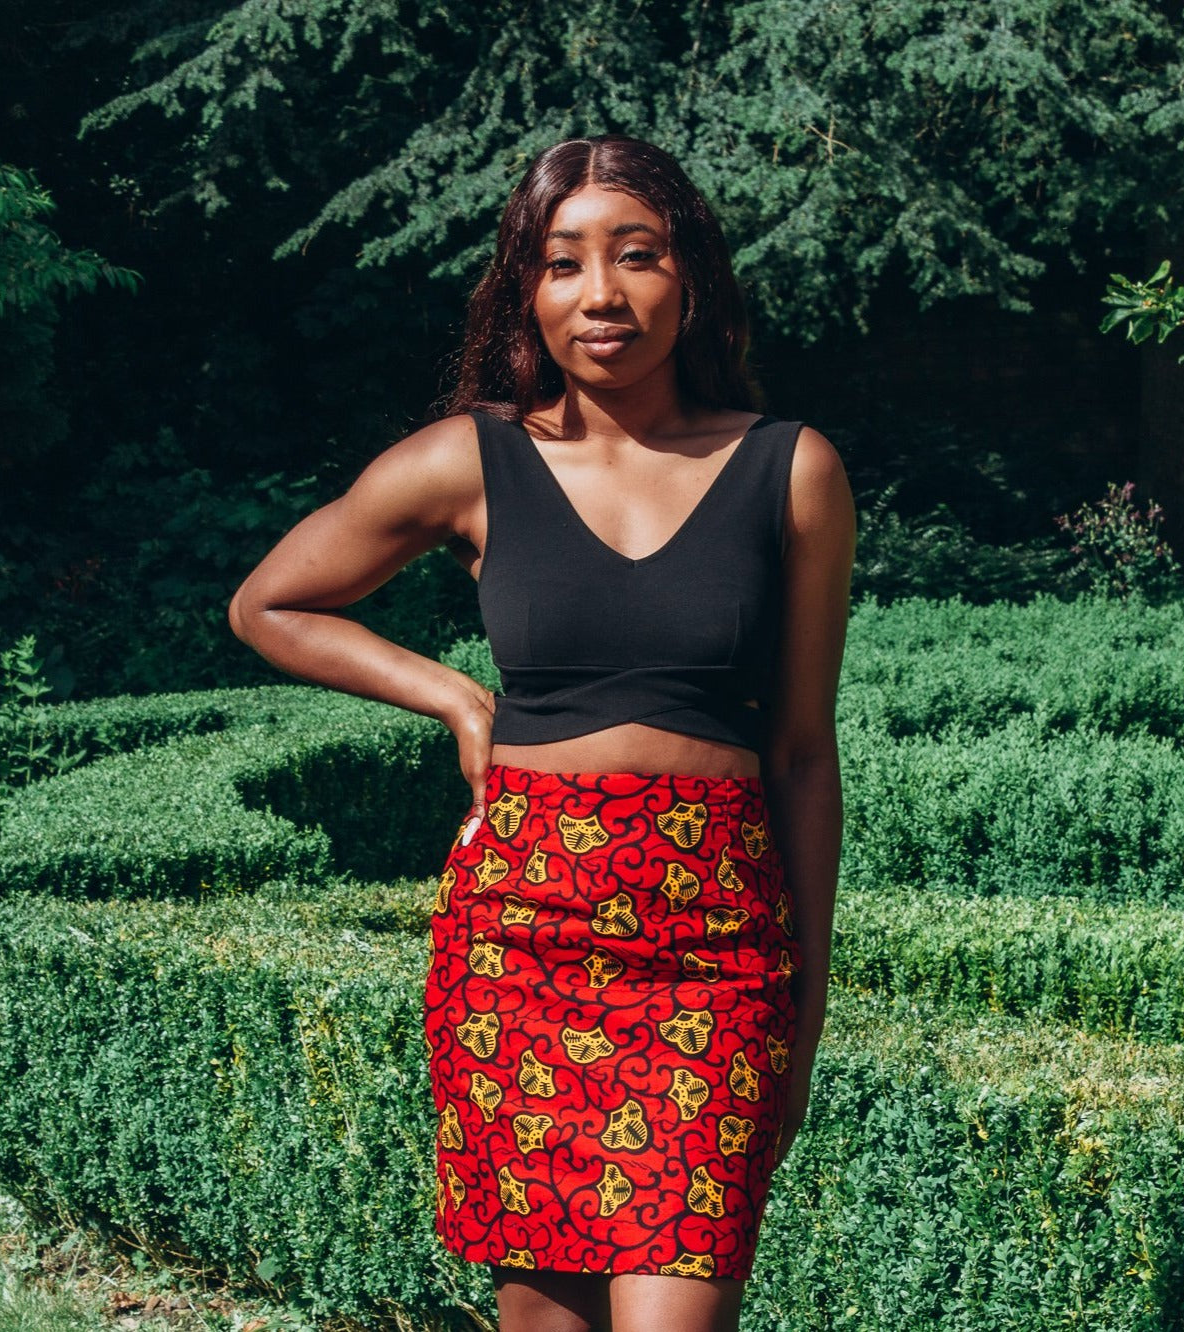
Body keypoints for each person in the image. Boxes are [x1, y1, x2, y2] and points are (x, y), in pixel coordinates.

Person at [228, 134, 855, 1332]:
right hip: (522, 940)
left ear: (693, 276)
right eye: (563, 264)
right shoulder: (475, 459)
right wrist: (459, 698)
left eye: (638, 255)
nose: (602, 294)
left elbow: (804, 755)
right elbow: (270, 604)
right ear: (529, 288)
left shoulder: (791, 471)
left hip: (711, 955)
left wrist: (804, 1004)